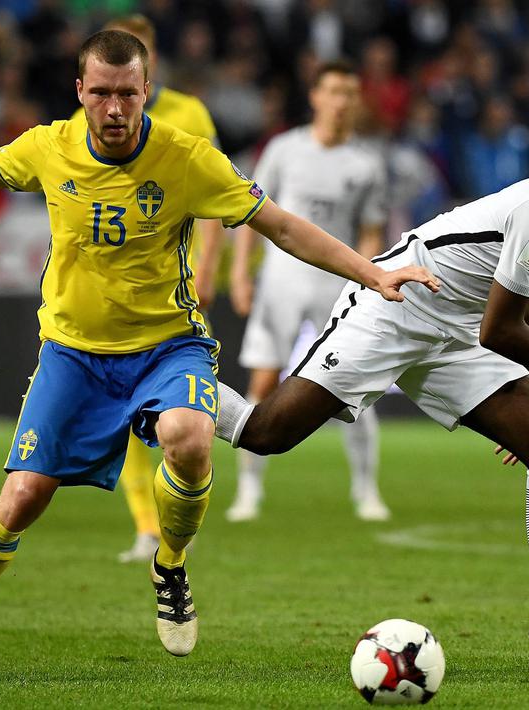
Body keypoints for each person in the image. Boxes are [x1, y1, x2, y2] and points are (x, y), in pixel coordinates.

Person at [0, 30, 437, 685]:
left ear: (145, 91)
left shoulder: (186, 158)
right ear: (79, 91)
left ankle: (170, 563)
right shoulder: (49, 147)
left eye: (126, 94)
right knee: (22, 497)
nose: (113, 107)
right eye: (100, 92)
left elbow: (281, 225)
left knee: (188, 436)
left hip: (168, 345)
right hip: (74, 354)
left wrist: (372, 273)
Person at [213, 106, 529, 672]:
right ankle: (175, 387)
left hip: (463, 330)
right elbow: (501, 331)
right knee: (265, 433)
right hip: (399, 304)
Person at [68, 14, 228, 565]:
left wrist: (209, 267)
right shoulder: (80, 124)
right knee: (126, 423)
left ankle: (178, 513)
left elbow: (216, 193)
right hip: (109, 306)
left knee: (181, 420)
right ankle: (145, 525)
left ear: (150, 62)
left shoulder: (189, 115)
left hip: (175, 290)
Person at [227, 59, 391, 523]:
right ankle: (249, 491)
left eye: (350, 93)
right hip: (280, 282)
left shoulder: (366, 164)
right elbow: (250, 214)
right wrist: (240, 274)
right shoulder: (283, 150)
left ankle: (366, 490)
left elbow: (371, 231)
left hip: (338, 286)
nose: (342, 101)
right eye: (334, 91)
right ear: (315, 96)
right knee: (263, 382)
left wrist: (365, 279)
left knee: (352, 387)